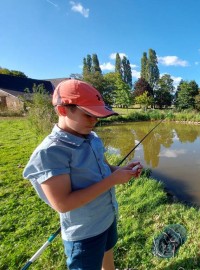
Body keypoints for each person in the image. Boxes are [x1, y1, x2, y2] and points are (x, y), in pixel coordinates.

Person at [23, 79, 142, 270]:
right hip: (84, 232)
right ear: (62, 110)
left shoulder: (92, 137)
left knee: (107, 256)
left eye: (98, 116)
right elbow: (63, 204)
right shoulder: (51, 152)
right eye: (88, 115)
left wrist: (121, 171)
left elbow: (103, 166)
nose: (94, 121)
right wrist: (112, 180)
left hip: (107, 217)